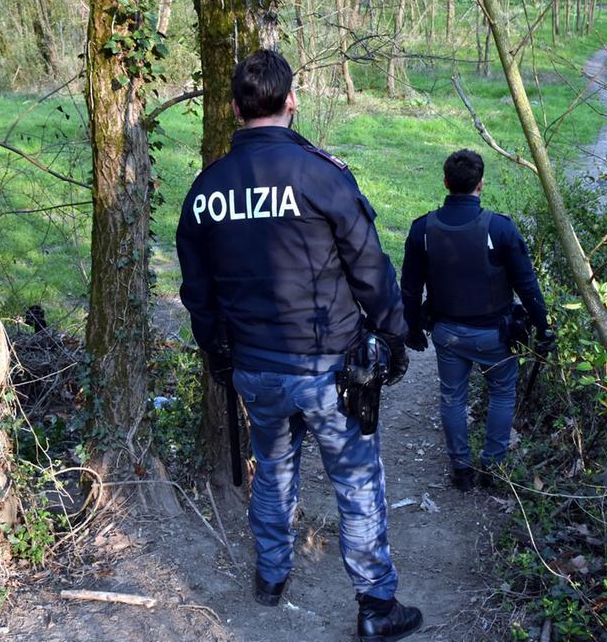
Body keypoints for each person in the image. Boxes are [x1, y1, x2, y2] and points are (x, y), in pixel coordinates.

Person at [175, 49, 423, 642]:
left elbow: (197, 291)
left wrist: (216, 352)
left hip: (255, 370)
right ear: (292, 100)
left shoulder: (206, 190)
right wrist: (393, 334)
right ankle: (376, 605)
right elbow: (370, 265)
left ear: (235, 108)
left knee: (274, 474)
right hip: (327, 369)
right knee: (356, 482)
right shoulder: (321, 175)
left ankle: (271, 577)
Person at [400, 149, 555, 492]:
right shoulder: (500, 229)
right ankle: (493, 468)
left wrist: (411, 328)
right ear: (480, 185)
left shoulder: (422, 229)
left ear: (445, 182)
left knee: (452, 397)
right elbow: (526, 284)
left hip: (447, 333)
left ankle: (461, 470)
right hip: (495, 336)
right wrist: (543, 326)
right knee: (501, 393)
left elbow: (409, 289)